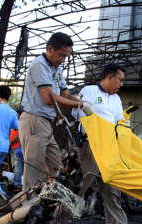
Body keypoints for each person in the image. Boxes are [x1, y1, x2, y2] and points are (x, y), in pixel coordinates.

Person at [52, 63, 131, 224]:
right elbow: (77, 112)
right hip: (89, 145)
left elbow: (120, 122)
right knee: (79, 186)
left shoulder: (116, 99)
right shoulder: (89, 91)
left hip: (110, 147)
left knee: (112, 189)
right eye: (120, 80)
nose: (121, 84)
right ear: (109, 77)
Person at [19, 32, 95, 193]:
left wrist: (84, 103)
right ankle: (26, 210)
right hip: (34, 120)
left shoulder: (57, 69)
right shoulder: (39, 64)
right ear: (50, 48)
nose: (63, 59)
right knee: (34, 171)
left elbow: (65, 95)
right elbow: (49, 98)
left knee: (56, 166)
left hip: (47, 123)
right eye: (61, 55)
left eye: (66, 56)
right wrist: (81, 106)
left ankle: (49, 201)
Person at [8, 111, 22, 191]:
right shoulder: (14, 123)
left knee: (17, 165)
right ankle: (15, 181)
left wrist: (10, 142)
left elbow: (19, 135)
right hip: (12, 147)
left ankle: (17, 183)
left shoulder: (20, 124)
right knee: (14, 165)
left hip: (17, 146)